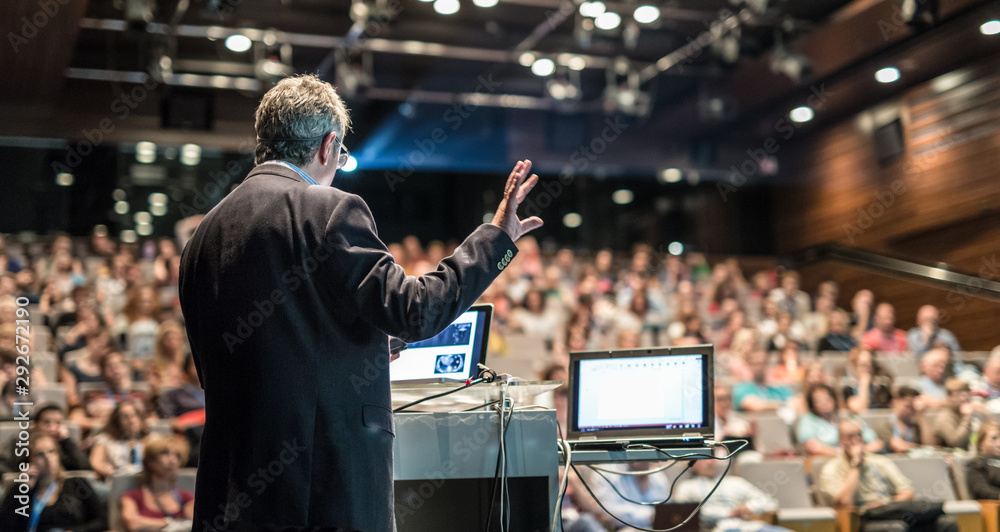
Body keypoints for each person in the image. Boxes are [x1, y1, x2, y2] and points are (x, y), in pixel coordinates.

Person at [178, 74, 543, 532]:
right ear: (329, 146)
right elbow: (416, 310)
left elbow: (247, 358)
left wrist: (361, 347)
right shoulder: (327, 207)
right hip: (321, 489)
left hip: (229, 494)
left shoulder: (201, 237)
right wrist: (497, 239)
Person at [818, 420, 957, 532]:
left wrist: (886, 503)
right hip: (861, 519)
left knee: (946, 523)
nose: (856, 440)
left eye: (859, 435)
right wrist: (856, 465)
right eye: (850, 436)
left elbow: (907, 492)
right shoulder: (831, 469)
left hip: (889, 511)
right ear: (841, 441)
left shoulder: (879, 461)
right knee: (895, 528)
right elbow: (843, 503)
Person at [0, 432, 106, 532]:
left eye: (51, 451)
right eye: (40, 454)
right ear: (30, 460)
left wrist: (76, 531)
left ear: (58, 456)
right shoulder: (20, 490)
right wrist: (24, 490)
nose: (47, 457)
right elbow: (6, 528)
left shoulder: (78, 484)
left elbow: (101, 522)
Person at [674, 457, 789, 532]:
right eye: (704, 459)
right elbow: (682, 513)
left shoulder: (734, 482)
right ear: (692, 463)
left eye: (712, 458)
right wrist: (729, 513)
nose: (710, 462)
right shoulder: (686, 487)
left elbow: (769, 502)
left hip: (748, 527)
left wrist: (749, 507)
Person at [120, 435, 195, 532]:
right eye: (166, 454)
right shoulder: (133, 496)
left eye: (177, 456)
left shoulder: (186, 497)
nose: (172, 460)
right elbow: (132, 523)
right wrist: (169, 523)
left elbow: (193, 523)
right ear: (150, 462)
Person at [796, 383, 882, 457]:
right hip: (828, 464)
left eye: (827, 398)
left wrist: (859, 452)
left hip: (859, 459)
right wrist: (844, 454)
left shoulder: (849, 418)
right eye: (818, 400)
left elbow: (876, 443)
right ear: (812, 404)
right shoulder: (808, 420)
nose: (824, 402)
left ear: (834, 399)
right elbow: (813, 448)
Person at [90, 399, 150, 480]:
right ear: (117, 420)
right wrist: (105, 469)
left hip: (143, 481)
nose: (132, 420)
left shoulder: (149, 440)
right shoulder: (105, 439)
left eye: (135, 415)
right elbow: (95, 462)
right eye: (126, 416)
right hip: (116, 480)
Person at [929, 378, 984, 450]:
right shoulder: (944, 417)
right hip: (946, 458)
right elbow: (956, 444)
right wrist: (966, 417)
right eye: (959, 395)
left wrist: (983, 413)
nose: (965, 398)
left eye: (967, 394)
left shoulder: (965, 413)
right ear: (949, 397)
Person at [874, 386, 926, 453]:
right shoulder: (884, 424)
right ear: (896, 402)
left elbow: (930, 445)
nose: (910, 411)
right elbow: (899, 447)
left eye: (913, 408)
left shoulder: (915, 425)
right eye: (907, 406)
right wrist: (920, 447)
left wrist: (921, 416)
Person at [965, 421, 1000, 499]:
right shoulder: (976, 465)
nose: (999, 444)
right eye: (994, 438)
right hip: (990, 505)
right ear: (982, 444)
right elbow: (981, 490)